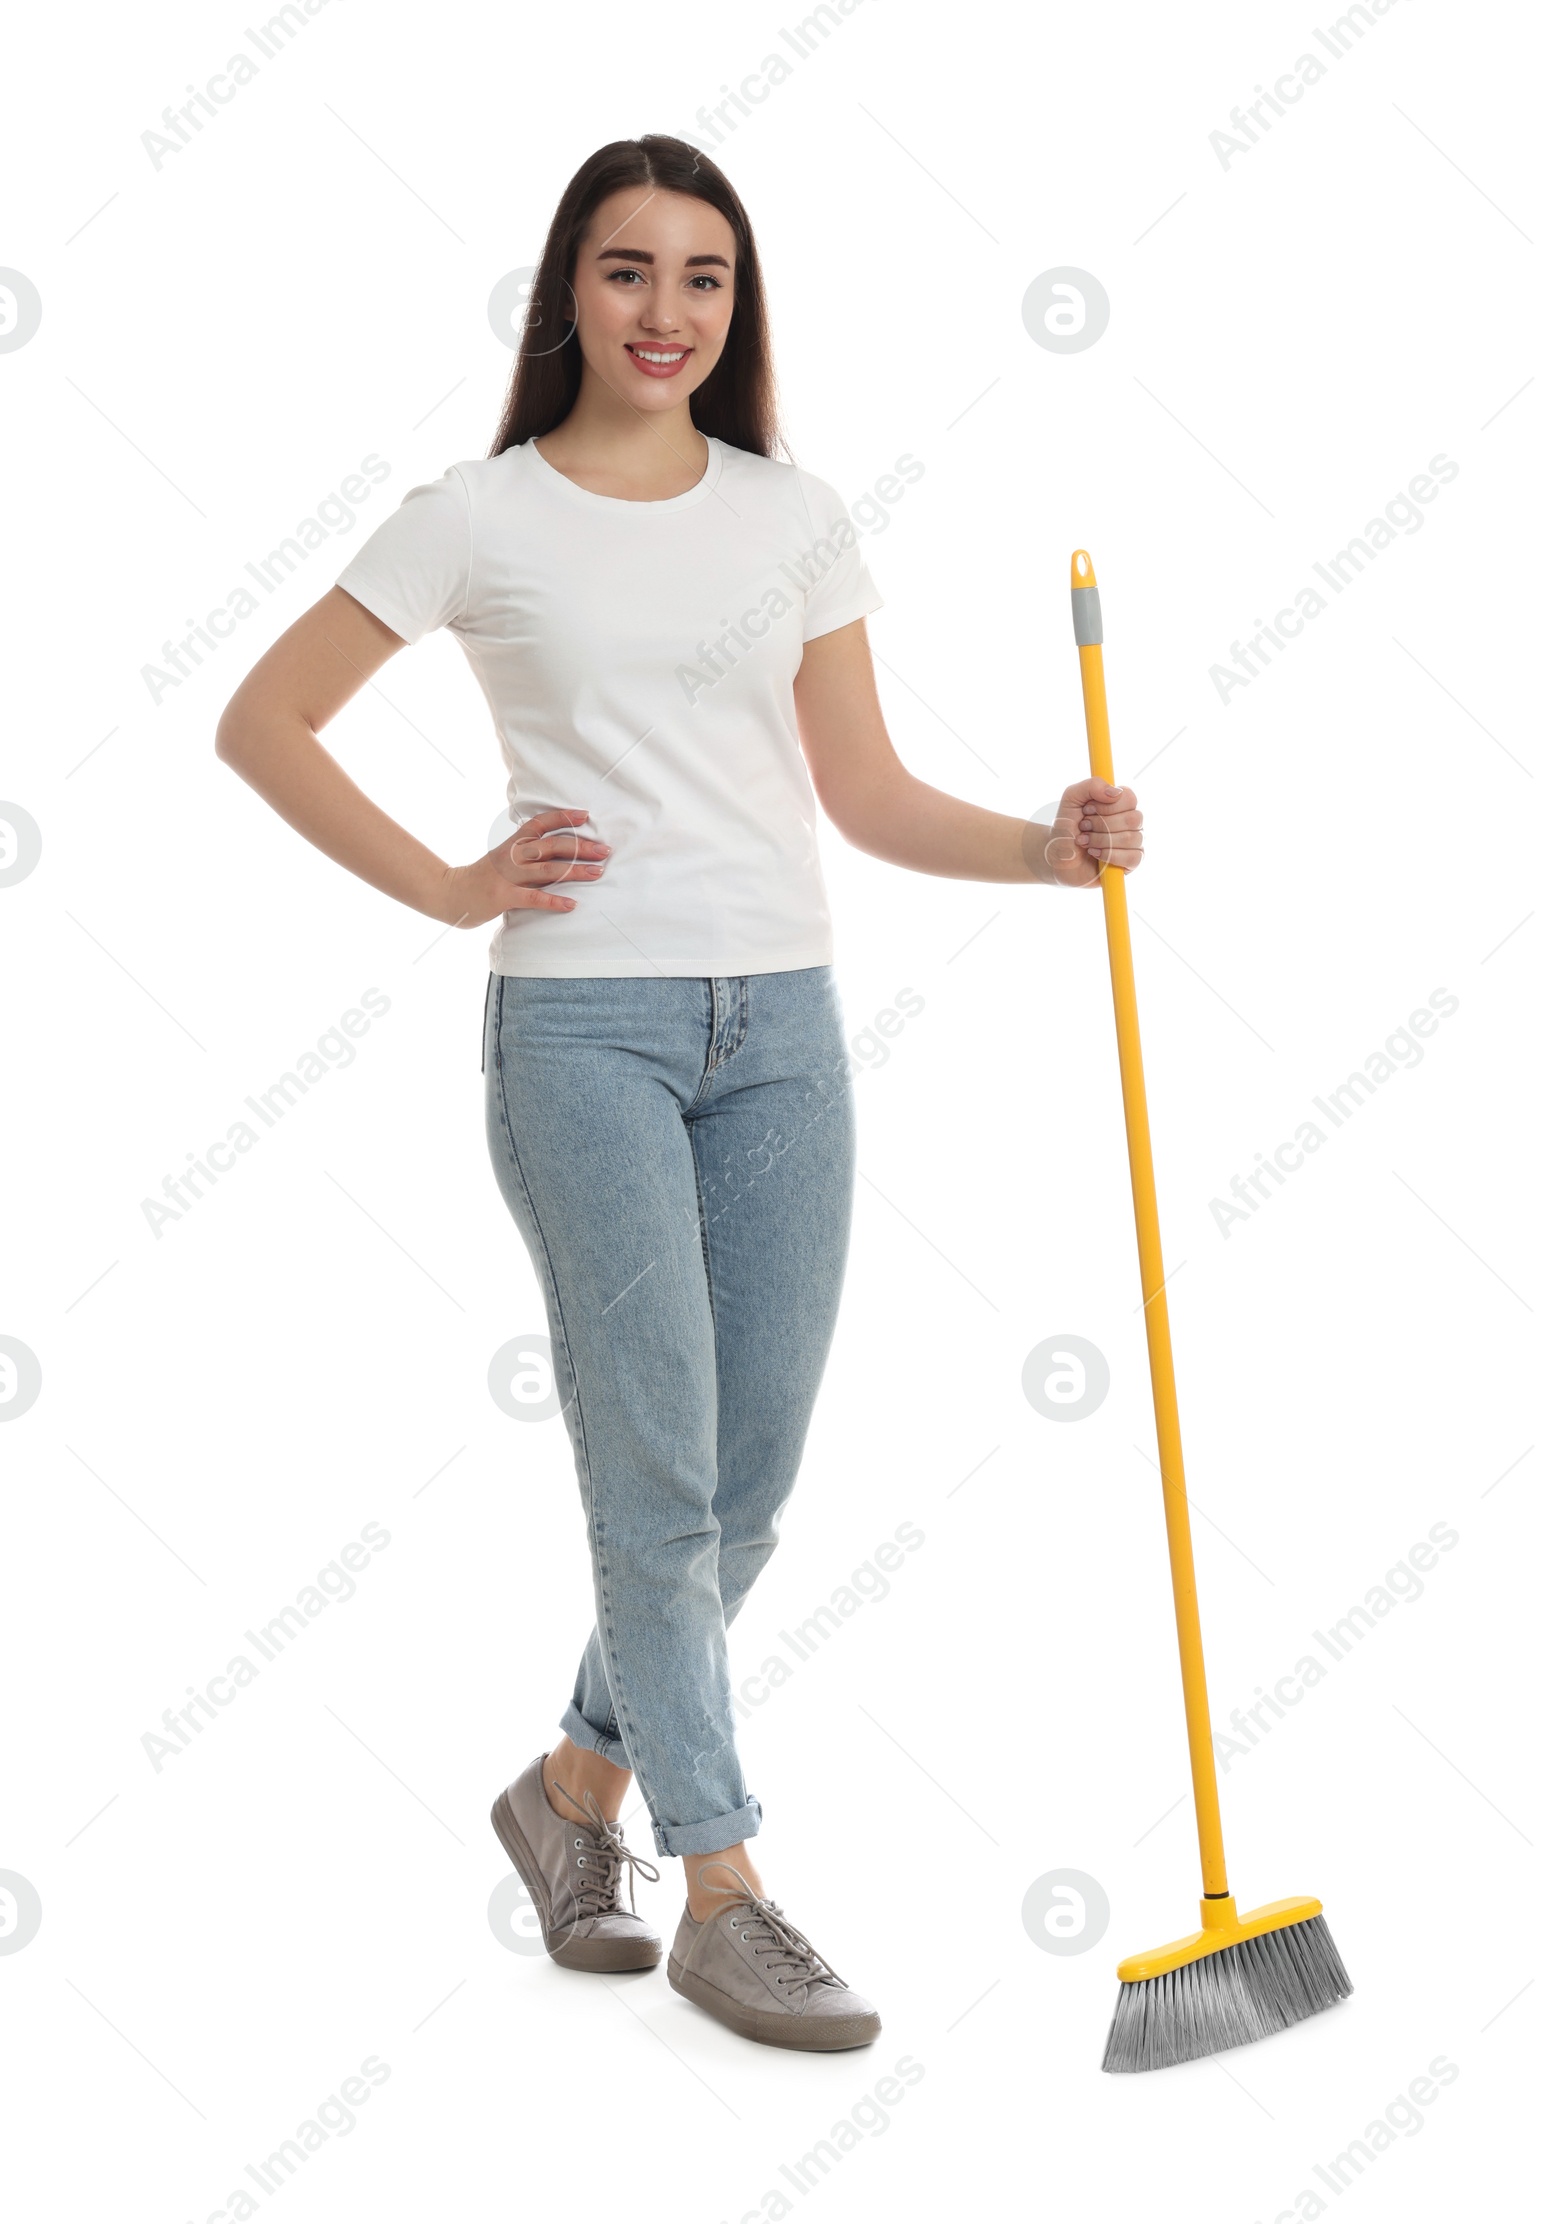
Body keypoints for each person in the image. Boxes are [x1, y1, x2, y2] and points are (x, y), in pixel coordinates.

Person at [215, 134, 1144, 2052]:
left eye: (704, 276)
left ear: (740, 305)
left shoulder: (793, 514)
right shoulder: (472, 514)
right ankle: (721, 1885)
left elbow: (869, 799)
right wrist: (459, 885)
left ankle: (571, 1792)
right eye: (630, 272)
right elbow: (263, 721)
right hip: (586, 1033)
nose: (667, 312)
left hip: (783, 1028)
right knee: (655, 1474)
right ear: (569, 293)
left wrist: (1048, 848)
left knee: (749, 1479)